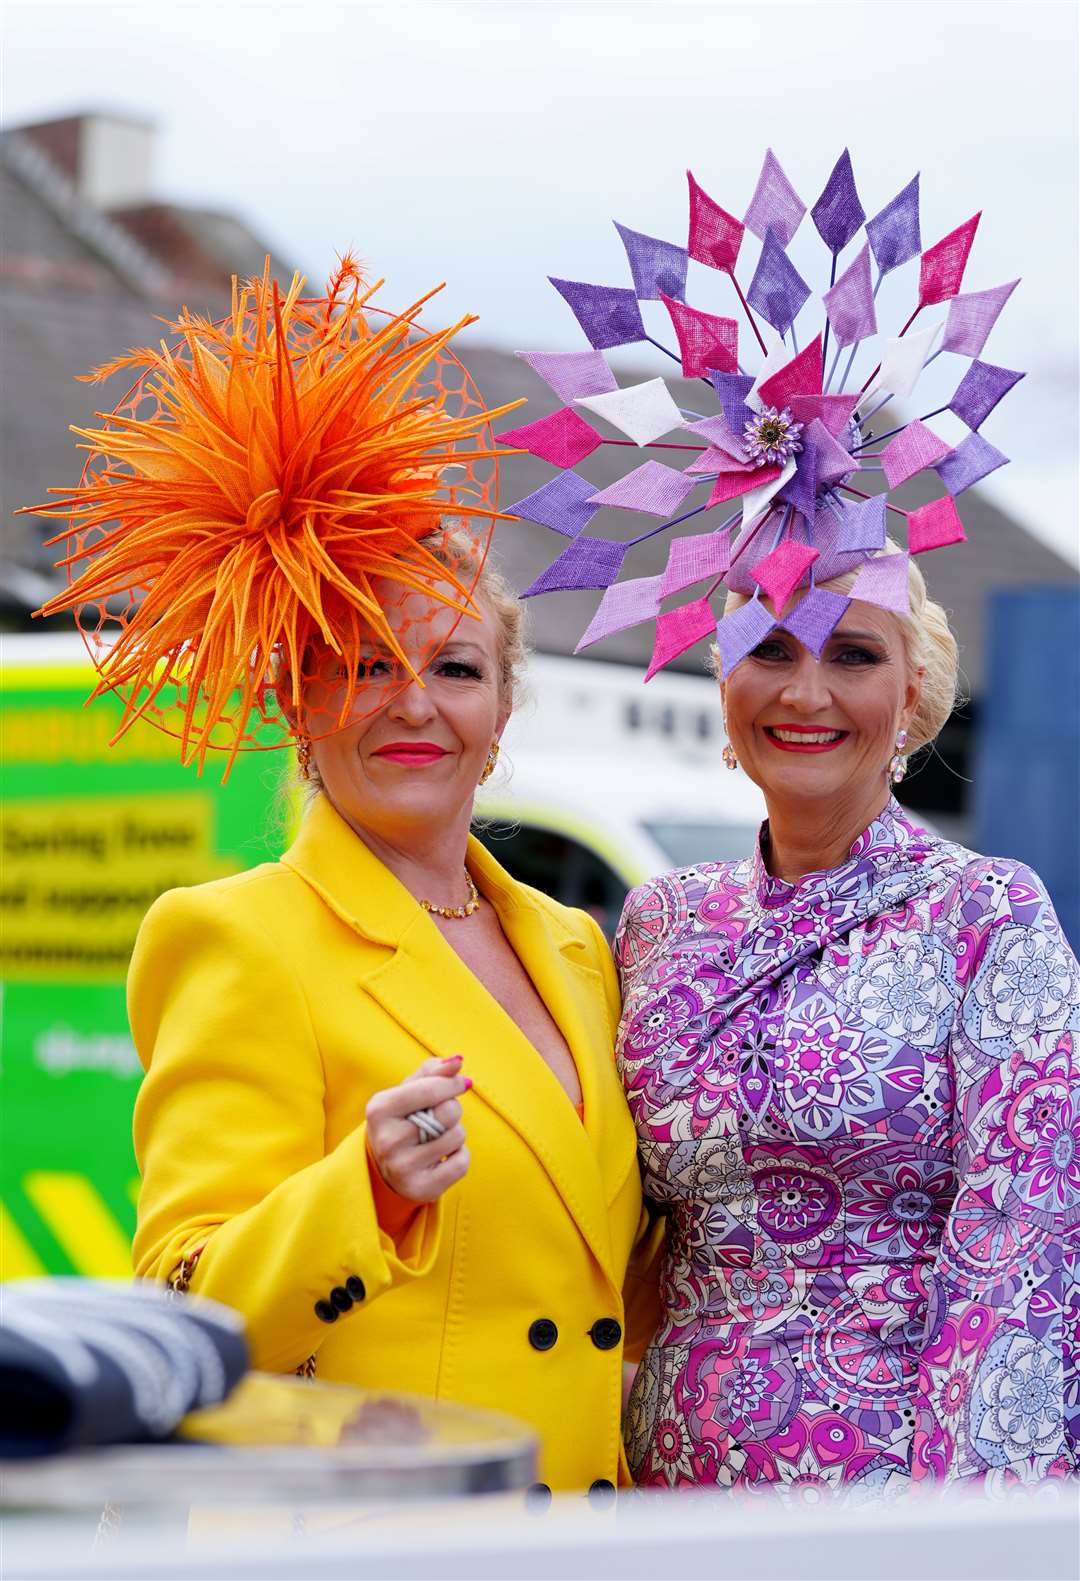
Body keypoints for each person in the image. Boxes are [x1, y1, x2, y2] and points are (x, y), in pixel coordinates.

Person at [26, 256, 658, 1494]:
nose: (414, 704)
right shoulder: (238, 936)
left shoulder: (576, 949)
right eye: (363, 664)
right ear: (295, 703)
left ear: (504, 707)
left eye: (457, 669)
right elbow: (187, 1306)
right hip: (373, 1535)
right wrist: (360, 1190)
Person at [616, 546, 1080, 1489]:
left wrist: (965, 1534)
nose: (807, 692)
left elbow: (1021, 1247)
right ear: (726, 680)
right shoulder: (657, 922)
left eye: (854, 655)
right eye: (771, 649)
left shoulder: (988, 915)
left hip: (881, 1500)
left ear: (914, 693)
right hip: (659, 1490)